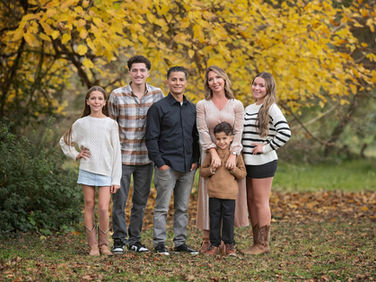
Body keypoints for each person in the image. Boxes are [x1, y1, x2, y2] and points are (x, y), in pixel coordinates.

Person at [108, 55, 164, 254]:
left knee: (140, 202)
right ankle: (118, 240)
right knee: (119, 201)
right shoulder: (117, 95)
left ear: (148, 73)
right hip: (122, 157)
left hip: (146, 157)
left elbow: (161, 124)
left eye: (142, 70)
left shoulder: (158, 94)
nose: (138, 74)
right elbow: (110, 127)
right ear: (129, 72)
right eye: (135, 70)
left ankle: (135, 240)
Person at [59, 86, 121, 256]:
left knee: (102, 208)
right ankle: (93, 246)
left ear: (104, 102)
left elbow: (117, 152)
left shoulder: (111, 124)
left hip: (106, 172)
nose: (96, 101)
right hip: (87, 169)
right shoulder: (81, 123)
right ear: (87, 101)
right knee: (89, 205)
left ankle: (104, 245)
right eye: (92, 98)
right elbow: (64, 141)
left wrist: (116, 179)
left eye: (99, 98)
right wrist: (75, 154)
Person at [145, 66, 200, 256]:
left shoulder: (193, 109)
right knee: (161, 208)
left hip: (188, 167)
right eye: (174, 79)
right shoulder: (158, 108)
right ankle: (160, 243)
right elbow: (151, 138)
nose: (178, 83)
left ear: (186, 82)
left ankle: (180, 243)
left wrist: (196, 160)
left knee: (182, 208)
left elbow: (196, 137)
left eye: (181, 80)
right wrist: (160, 163)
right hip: (166, 166)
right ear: (167, 82)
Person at [196, 65, 249, 253]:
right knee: (209, 198)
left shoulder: (236, 104)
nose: (215, 82)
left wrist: (234, 154)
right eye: (210, 79)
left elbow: (239, 131)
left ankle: (229, 242)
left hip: (232, 154)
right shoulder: (202, 105)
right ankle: (209, 240)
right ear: (207, 83)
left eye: (218, 77)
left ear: (224, 79)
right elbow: (202, 130)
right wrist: (213, 152)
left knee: (229, 199)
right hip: (210, 154)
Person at [242, 72, 291, 255]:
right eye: (255, 84)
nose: (257, 88)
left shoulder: (271, 108)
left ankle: (263, 245)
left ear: (268, 88)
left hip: (263, 162)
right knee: (251, 202)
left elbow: (285, 133)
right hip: (248, 163)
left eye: (261, 85)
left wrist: (266, 147)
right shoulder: (248, 108)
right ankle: (256, 243)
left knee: (261, 202)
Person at [200, 122, 247, 256]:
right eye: (218, 139)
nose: (221, 142)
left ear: (231, 138)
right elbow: (202, 172)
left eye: (224, 138)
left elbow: (243, 174)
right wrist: (211, 169)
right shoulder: (211, 153)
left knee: (228, 220)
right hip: (214, 193)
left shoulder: (236, 154)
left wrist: (233, 169)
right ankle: (214, 245)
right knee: (214, 220)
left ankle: (229, 245)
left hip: (230, 195)